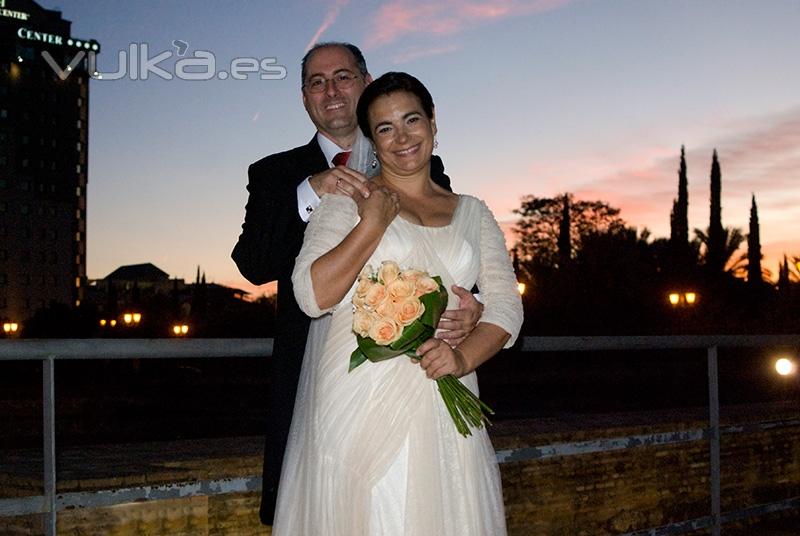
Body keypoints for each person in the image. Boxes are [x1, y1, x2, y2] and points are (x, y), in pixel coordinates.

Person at [231, 43, 483, 526]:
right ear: (304, 97)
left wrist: (476, 306)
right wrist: (311, 191)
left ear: (366, 83)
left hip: (410, 376)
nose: (330, 90)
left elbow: (457, 255)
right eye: (316, 81)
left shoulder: (418, 161)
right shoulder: (274, 174)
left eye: (343, 76)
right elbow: (253, 263)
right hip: (317, 378)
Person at [273, 72, 523, 535]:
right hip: (358, 398)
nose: (402, 136)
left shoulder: (474, 212)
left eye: (412, 120)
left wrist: (461, 355)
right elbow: (310, 296)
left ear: (432, 122)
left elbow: (507, 307)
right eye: (385, 128)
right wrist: (371, 224)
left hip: (444, 391)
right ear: (372, 139)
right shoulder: (346, 202)